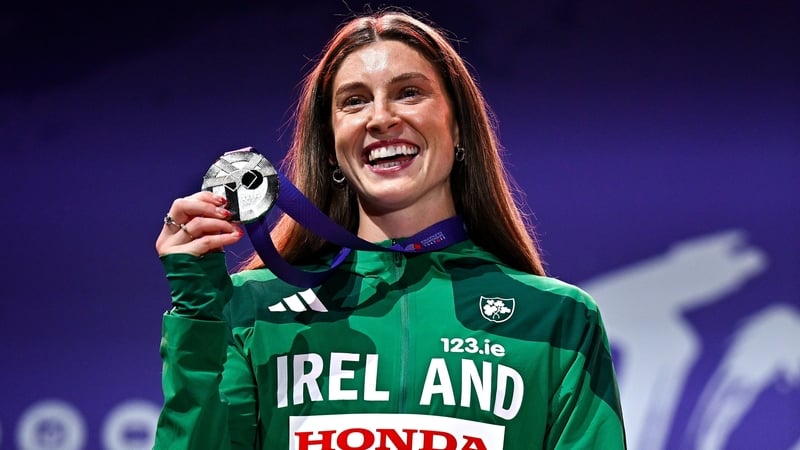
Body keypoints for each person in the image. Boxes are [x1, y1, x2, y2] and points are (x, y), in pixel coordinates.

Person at [154, 8, 626, 450]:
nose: (381, 118)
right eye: (355, 102)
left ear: (457, 127)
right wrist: (198, 313)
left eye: (409, 92)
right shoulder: (253, 312)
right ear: (332, 145)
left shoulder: (557, 320)